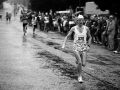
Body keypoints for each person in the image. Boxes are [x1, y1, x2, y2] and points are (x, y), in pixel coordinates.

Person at [62, 15, 92, 83]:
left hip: (84, 46)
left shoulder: (86, 28)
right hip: (76, 46)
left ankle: (78, 60)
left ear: (83, 20)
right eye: (79, 20)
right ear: (77, 21)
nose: (81, 22)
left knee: (83, 64)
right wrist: (64, 44)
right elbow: (67, 36)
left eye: (82, 20)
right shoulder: (73, 28)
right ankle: (79, 76)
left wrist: (88, 45)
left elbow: (90, 37)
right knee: (80, 62)